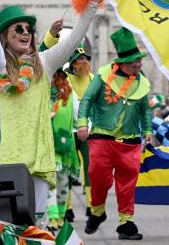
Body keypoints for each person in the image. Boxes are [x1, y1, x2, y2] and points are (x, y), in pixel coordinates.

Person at [0, 0, 102, 228]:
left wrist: (92, 4)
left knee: (35, 228)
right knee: (3, 230)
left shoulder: (44, 62)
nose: (25, 33)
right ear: (3, 37)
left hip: (38, 162)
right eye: (18, 29)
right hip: (2, 161)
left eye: (28, 30)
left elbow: (74, 38)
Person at [77, 27, 153, 240]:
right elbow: (87, 100)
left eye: (139, 61)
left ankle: (125, 223)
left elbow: (145, 109)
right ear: (121, 63)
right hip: (102, 138)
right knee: (98, 177)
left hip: (129, 142)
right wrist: (82, 123)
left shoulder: (140, 82)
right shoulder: (102, 78)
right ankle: (98, 212)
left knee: (127, 182)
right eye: (134, 62)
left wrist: (147, 130)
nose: (138, 65)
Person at [46, 68, 79, 230]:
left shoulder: (54, 94)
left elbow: (76, 117)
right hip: (63, 145)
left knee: (57, 182)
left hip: (56, 145)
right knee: (59, 181)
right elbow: (77, 117)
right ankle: (56, 216)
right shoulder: (69, 94)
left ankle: (56, 216)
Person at [67, 45, 95, 219]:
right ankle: (67, 207)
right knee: (68, 169)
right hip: (68, 130)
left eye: (86, 59)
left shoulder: (94, 79)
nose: (85, 62)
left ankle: (91, 206)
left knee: (90, 168)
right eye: (81, 59)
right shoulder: (64, 79)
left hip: (89, 130)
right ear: (73, 63)